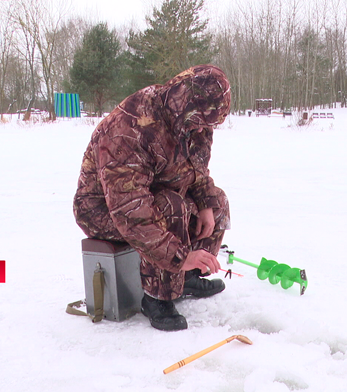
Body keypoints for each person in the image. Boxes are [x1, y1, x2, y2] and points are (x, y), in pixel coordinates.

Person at [73, 65, 231, 331]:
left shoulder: (193, 122)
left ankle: (187, 277)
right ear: (188, 105)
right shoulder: (131, 126)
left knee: (218, 202)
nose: (206, 129)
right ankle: (158, 296)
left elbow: (195, 170)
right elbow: (130, 208)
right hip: (103, 209)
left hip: (155, 193)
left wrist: (206, 204)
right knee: (171, 206)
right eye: (203, 122)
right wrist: (182, 255)